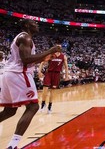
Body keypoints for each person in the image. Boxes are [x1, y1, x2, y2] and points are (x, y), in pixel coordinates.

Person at [0, 19, 61, 149]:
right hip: (19, 74)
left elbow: (28, 59)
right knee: (33, 107)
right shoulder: (25, 37)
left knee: (9, 111)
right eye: (34, 23)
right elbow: (26, 60)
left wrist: (45, 57)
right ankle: (13, 145)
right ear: (27, 25)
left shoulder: (24, 38)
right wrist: (50, 50)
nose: (37, 24)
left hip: (9, 74)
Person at [38, 40, 69, 114]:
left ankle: (49, 107)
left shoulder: (63, 56)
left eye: (60, 47)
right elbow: (42, 62)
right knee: (45, 89)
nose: (59, 48)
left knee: (52, 91)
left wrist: (66, 75)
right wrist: (39, 71)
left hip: (57, 74)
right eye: (57, 47)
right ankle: (42, 105)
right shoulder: (51, 55)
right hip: (49, 73)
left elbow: (66, 67)